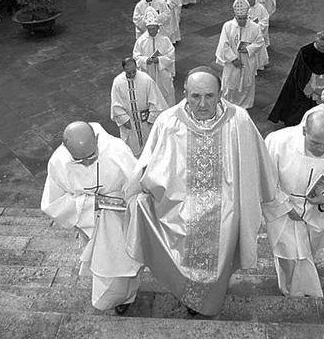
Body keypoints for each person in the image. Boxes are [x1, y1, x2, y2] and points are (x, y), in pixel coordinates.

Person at [124, 67, 293, 316]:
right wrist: (136, 190)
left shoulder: (239, 120)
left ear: (221, 93)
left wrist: (272, 198)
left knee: (223, 246)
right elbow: (149, 161)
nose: (202, 104)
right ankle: (186, 293)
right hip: (179, 209)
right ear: (185, 94)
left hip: (226, 206)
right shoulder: (168, 121)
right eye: (195, 96)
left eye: (210, 96)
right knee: (175, 245)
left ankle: (208, 300)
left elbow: (258, 161)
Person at [41, 121, 141, 314]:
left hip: (118, 219)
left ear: (96, 139)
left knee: (125, 261)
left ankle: (127, 296)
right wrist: (87, 204)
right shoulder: (58, 162)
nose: (87, 163)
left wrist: (125, 199)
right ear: (66, 148)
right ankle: (116, 298)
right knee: (102, 267)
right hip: (88, 223)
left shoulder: (116, 149)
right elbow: (52, 203)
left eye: (91, 156)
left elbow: (136, 182)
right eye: (80, 160)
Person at [265, 110, 324, 297]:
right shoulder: (277, 141)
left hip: (316, 211)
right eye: (315, 143)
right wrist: (285, 205)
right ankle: (292, 289)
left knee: (309, 250)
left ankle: (295, 284)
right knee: (289, 254)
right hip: (282, 210)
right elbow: (264, 177)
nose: (320, 149)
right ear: (304, 131)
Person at [268, 31, 324, 126]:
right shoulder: (305, 52)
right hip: (308, 85)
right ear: (316, 42)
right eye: (322, 46)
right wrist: (307, 88)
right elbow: (300, 72)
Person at [110, 57, 167, 157]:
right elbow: (116, 105)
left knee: (150, 149)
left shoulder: (146, 80)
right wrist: (124, 119)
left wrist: (152, 118)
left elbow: (157, 101)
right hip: (130, 122)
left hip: (145, 122)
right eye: (129, 73)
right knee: (132, 151)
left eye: (134, 72)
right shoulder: (118, 82)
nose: (132, 75)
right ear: (124, 70)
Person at [215, 0, 263, 108]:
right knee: (231, 83)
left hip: (247, 61)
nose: (242, 21)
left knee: (246, 83)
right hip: (232, 64)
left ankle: (245, 105)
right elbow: (224, 44)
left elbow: (259, 41)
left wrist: (249, 49)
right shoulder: (228, 26)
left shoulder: (254, 27)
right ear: (235, 16)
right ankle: (229, 104)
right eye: (239, 18)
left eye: (244, 18)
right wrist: (233, 59)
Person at [133, 7, 175, 106]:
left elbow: (171, 56)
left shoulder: (164, 40)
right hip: (148, 72)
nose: (151, 31)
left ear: (158, 28)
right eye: (149, 29)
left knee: (165, 93)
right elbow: (136, 55)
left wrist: (159, 60)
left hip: (162, 73)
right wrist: (144, 60)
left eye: (153, 29)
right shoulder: (141, 40)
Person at [244, 0, 270, 69]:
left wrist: (256, 26)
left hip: (256, 35)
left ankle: (258, 65)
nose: (250, 0)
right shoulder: (242, 7)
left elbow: (265, 21)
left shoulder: (261, 8)